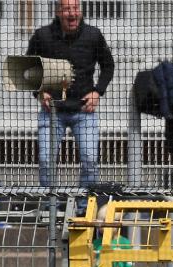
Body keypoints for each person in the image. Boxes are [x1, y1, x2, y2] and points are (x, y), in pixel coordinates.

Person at [27, 0, 114, 188]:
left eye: (75, 8)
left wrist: (97, 92)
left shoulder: (93, 35)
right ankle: (52, 209)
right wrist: (39, 92)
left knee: (90, 161)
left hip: (84, 110)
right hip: (52, 112)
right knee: (45, 161)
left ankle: (83, 208)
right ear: (58, 12)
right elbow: (27, 69)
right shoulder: (42, 36)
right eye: (67, 9)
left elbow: (108, 66)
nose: (72, 13)